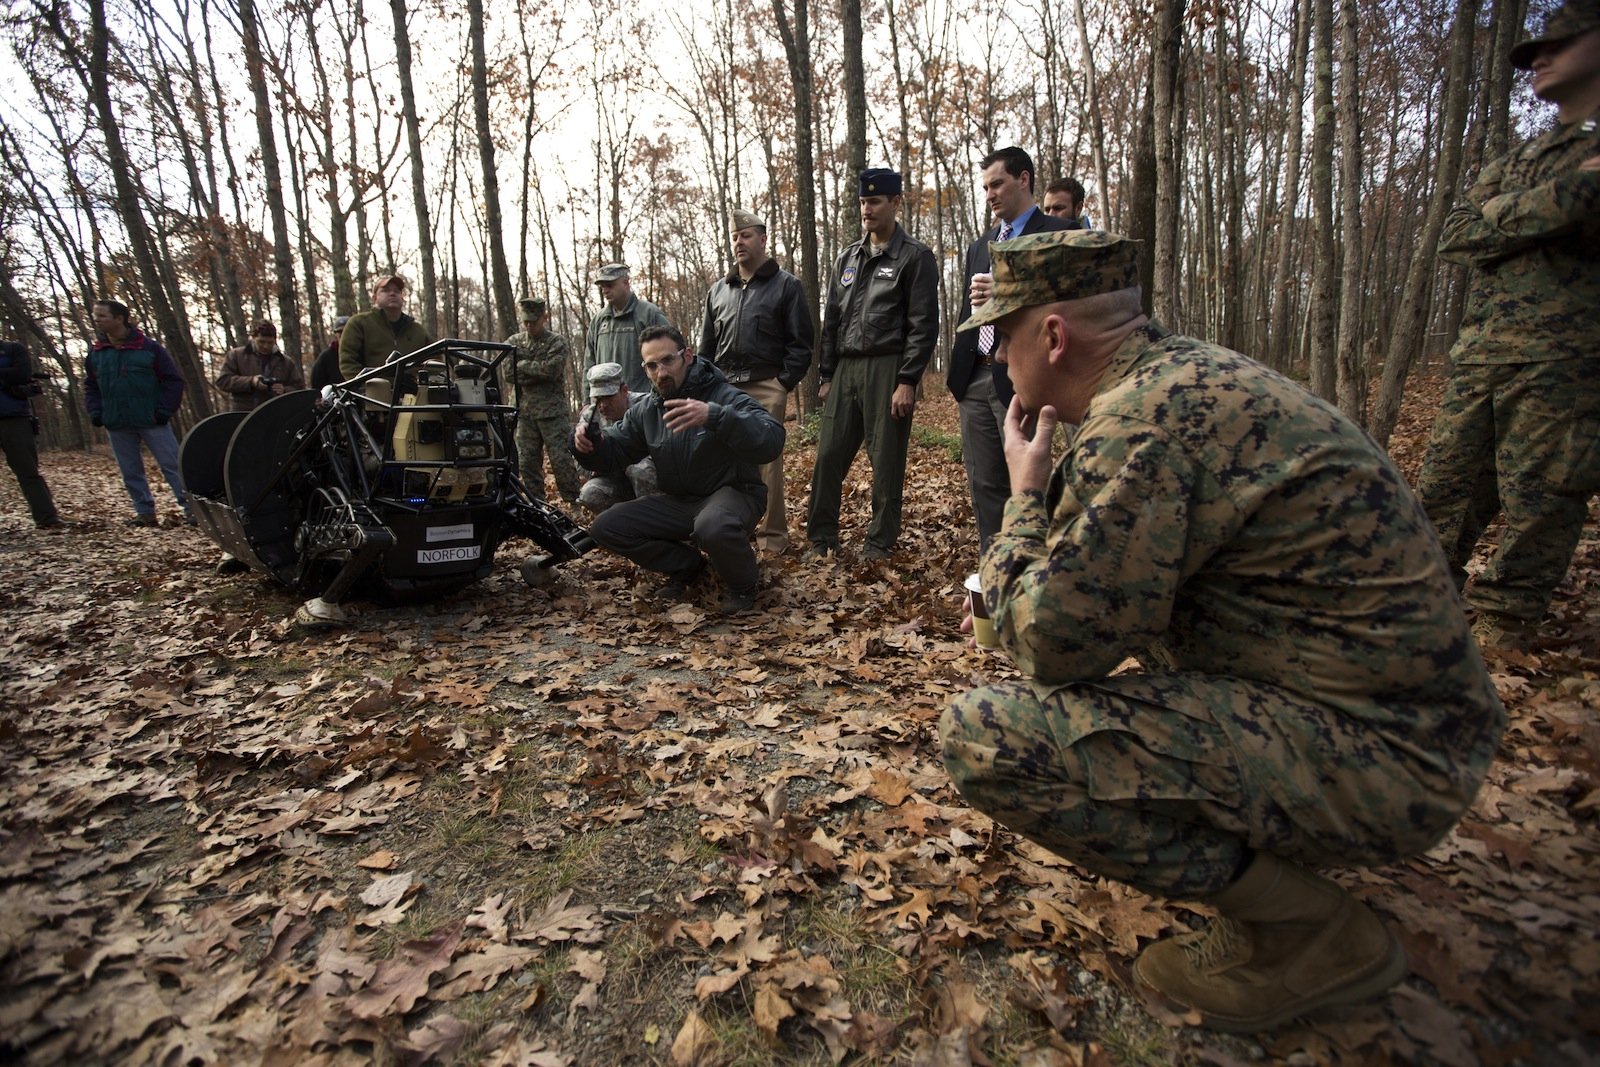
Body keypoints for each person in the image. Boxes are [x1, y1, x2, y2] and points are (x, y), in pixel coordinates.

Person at [939, 231, 1504, 1033]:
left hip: (1392, 759)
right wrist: (1021, 598)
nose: (995, 360)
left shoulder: (1143, 423)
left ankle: (1312, 933)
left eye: (1001, 337)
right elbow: (1094, 598)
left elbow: (1054, 643)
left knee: (986, 739)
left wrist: (1024, 500)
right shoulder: (1182, 379)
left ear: (1054, 336)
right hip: (1403, 726)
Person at [1412, 0, 1600, 652]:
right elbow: (1460, 234)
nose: (1539, 58)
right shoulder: (1525, 157)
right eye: (1532, 52)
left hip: (1568, 352)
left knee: (1542, 497)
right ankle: (1423, 603)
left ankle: (1503, 626)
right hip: (1484, 350)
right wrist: (1564, 199)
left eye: (1558, 43)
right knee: (1442, 487)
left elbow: (1491, 224)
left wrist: (1507, 217)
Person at [575, 325, 783, 616]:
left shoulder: (724, 395)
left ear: (687, 355)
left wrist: (715, 416)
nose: (660, 372)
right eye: (651, 365)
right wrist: (590, 444)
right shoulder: (647, 410)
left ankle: (744, 585)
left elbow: (771, 439)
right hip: (680, 501)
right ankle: (690, 568)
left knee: (712, 525)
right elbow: (616, 452)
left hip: (734, 493)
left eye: (667, 361)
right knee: (606, 527)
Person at [805, 168, 938, 560]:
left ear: (896, 203)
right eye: (863, 202)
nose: (868, 209)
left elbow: (923, 324)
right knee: (828, 455)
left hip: (887, 366)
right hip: (846, 367)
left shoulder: (914, 257)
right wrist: (827, 374)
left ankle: (879, 542)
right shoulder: (848, 257)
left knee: (885, 460)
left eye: (876, 201)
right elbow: (832, 319)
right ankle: (821, 537)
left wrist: (908, 379)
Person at [948, 148, 1075, 552]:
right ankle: (994, 571)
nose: (990, 194)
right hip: (975, 374)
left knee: (1026, 481)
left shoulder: (1057, 234)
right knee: (983, 483)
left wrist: (1007, 292)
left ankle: (1034, 565)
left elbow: (1067, 306)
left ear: (1023, 179)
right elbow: (969, 309)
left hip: (1024, 376)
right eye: (985, 187)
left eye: (997, 183)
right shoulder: (979, 244)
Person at [698, 208, 814, 554]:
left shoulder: (787, 286)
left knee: (767, 465)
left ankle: (772, 538)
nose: (739, 242)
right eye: (735, 237)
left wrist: (783, 384)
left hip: (766, 386)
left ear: (763, 239)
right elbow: (706, 348)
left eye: (746, 235)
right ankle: (729, 531)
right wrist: (705, 386)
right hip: (723, 388)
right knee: (720, 462)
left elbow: (801, 343)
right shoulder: (718, 291)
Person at [84, 299, 190, 527]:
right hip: (117, 422)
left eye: (102, 316)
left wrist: (164, 410)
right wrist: (95, 410)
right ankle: (145, 513)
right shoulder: (97, 352)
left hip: (152, 420)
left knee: (173, 465)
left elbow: (173, 381)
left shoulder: (149, 348)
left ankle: (192, 510)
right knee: (130, 471)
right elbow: (91, 385)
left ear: (119, 318)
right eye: (96, 316)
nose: (97, 320)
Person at [506, 297, 582, 504]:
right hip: (525, 412)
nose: (530, 326)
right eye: (526, 322)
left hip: (552, 413)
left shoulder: (556, 342)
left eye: (534, 321)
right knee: (527, 460)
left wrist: (522, 366)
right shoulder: (513, 343)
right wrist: (535, 369)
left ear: (544, 318)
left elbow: (551, 370)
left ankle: (573, 501)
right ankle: (537, 503)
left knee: (561, 459)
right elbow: (508, 373)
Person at [574, 362, 658, 515]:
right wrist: (595, 464)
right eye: (597, 399)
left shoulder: (645, 405)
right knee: (590, 493)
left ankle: (657, 521)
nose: (602, 405)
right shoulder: (590, 417)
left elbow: (665, 448)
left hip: (655, 483)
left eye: (608, 397)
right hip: (617, 482)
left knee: (640, 470)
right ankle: (625, 526)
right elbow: (580, 463)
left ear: (624, 390)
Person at [0, 339, 62, 529]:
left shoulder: (12, 349)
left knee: (28, 471)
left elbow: (22, 373)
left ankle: (47, 518)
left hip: (14, 418)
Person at [584, 263, 670, 396]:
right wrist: (587, 400)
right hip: (605, 403)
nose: (605, 290)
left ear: (625, 283)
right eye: (602, 287)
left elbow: (667, 356)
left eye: (610, 285)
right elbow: (589, 364)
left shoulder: (648, 314)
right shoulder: (599, 321)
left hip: (643, 401)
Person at [339, 274, 433, 382]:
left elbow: (435, 362)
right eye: (385, 290)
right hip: (371, 393)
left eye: (397, 291)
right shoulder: (359, 324)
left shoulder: (418, 330)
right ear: (375, 298)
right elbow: (348, 362)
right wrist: (362, 389)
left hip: (414, 394)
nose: (392, 293)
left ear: (402, 298)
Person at [215, 320, 306, 412]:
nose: (266, 346)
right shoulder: (236, 356)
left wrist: (284, 390)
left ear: (275, 340)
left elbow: (299, 388)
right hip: (243, 413)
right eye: (261, 342)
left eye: (270, 343)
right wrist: (251, 381)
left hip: (276, 414)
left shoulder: (285, 362)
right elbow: (223, 381)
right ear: (253, 338)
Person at [310, 314, 352, 391]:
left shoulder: (362, 353)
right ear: (335, 334)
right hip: (336, 400)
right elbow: (316, 384)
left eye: (346, 330)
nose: (343, 334)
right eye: (339, 332)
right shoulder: (325, 357)